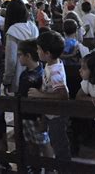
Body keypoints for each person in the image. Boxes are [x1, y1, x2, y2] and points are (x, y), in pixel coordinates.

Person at [28, 31, 71, 162]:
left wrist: (40, 94)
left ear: (47, 53)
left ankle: (64, 169)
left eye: (39, 49)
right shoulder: (50, 64)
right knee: (53, 140)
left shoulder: (55, 71)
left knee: (59, 146)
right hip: (50, 111)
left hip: (57, 114)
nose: (37, 51)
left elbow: (63, 95)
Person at [17, 40, 54, 161]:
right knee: (30, 143)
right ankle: (35, 166)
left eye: (20, 55)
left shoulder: (41, 75)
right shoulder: (24, 74)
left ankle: (50, 168)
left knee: (44, 143)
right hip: (25, 116)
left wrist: (43, 119)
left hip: (36, 117)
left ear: (28, 56)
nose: (18, 58)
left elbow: (43, 100)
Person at [3, 0, 39, 93]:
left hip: (18, 75)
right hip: (36, 73)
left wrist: (7, 80)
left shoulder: (13, 31)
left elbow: (11, 60)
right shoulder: (33, 26)